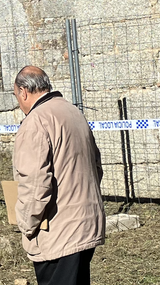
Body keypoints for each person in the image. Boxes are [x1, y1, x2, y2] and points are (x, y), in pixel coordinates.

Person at [11, 66, 104, 285]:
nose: (19, 102)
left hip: (58, 232)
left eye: (17, 96)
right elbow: (96, 166)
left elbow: (35, 184)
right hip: (86, 224)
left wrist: (26, 224)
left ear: (23, 92)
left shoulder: (35, 122)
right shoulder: (73, 112)